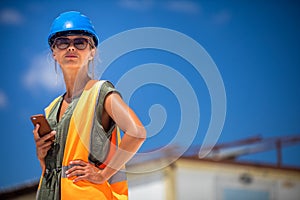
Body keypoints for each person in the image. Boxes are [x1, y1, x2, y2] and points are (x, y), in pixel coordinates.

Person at [32, 11, 146, 199]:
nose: (71, 48)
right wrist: (41, 154)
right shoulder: (51, 109)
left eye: (80, 42)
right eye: (63, 42)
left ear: (92, 52)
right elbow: (51, 170)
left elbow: (137, 132)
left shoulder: (101, 92)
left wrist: (103, 175)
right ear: (54, 52)